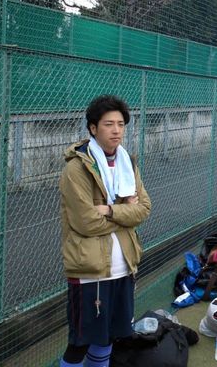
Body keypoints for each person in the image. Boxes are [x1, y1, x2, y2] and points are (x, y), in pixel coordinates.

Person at [59, 95, 151, 367]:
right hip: (90, 271)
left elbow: (144, 209)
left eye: (121, 124)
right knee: (79, 343)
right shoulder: (76, 168)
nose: (116, 130)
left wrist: (110, 210)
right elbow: (86, 222)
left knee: (108, 338)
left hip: (124, 266)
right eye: (109, 124)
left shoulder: (127, 163)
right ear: (93, 128)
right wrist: (125, 212)